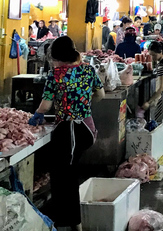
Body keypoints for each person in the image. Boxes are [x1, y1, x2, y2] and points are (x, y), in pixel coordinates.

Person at [28, 36, 104, 230]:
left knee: (65, 177)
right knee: (64, 174)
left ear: (55, 55)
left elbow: (46, 104)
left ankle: (73, 223)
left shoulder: (56, 75)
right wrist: (84, 107)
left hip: (69, 131)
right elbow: (100, 94)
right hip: (87, 128)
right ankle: (64, 218)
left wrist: (37, 114)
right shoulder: (88, 70)